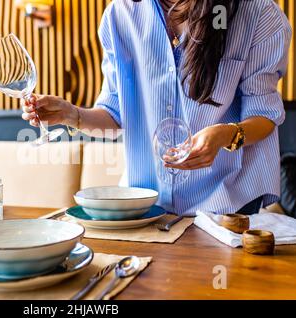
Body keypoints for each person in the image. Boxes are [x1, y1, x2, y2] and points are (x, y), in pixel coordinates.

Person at [22, 0, 292, 215]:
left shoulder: (257, 14)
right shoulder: (120, 15)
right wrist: (74, 115)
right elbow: (115, 115)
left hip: (227, 208)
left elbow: (264, 115)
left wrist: (224, 135)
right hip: (146, 209)